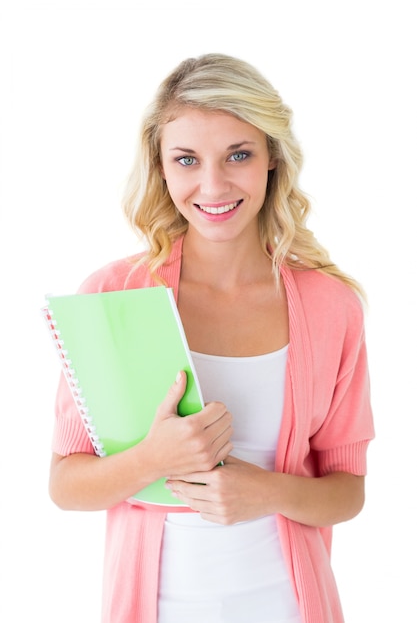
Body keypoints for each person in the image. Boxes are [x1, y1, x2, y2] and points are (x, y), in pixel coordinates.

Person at [49, 53, 375, 623]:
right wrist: (153, 458)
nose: (213, 185)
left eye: (239, 155)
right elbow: (66, 485)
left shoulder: (330, 306)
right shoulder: (113, 295)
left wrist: (267, 492)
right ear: (162, 166)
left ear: (272, 157)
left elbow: (347, 489)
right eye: (187, 160)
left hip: (288, 607)